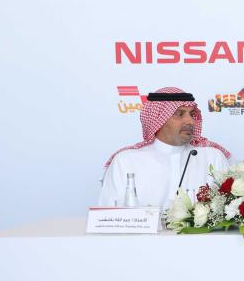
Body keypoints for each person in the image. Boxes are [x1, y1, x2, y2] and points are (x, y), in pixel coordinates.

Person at [99, 87, 231, 208]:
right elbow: (107, 215)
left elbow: (230, 211)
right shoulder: (125, 161)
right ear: (159, 120)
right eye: (179, 114)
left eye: (191, 114)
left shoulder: (213, 157)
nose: (190, 121)